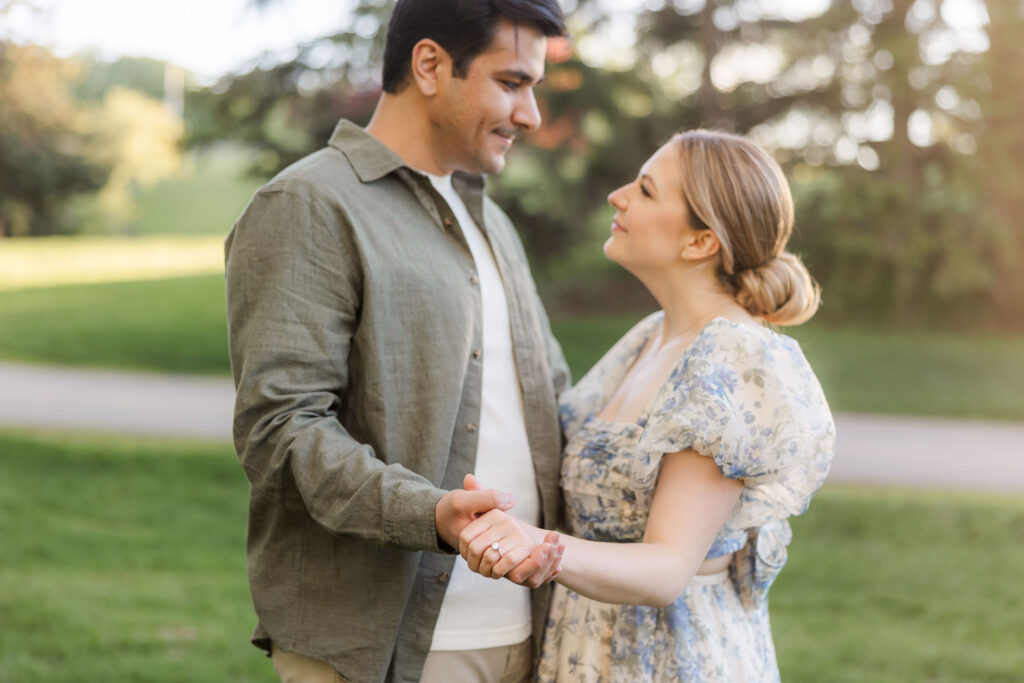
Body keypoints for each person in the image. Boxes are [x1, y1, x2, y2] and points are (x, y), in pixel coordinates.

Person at [223, 1, 571, 681]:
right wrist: (430, 513)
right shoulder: (309, 205)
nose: (529, 115)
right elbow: (281, 429)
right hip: (380, 645)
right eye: (511, 83)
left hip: (525, 630)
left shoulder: (490, 220)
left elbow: (550, 398)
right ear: (431, 65)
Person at [458, 130, 836, 681]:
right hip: (585, 644)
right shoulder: (651, 336)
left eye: (646, 190)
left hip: (664, 659)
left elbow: (666, 568)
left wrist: (539, 543)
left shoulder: (729, 360)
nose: (618, 196)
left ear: (700, 242)